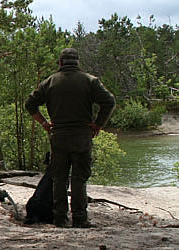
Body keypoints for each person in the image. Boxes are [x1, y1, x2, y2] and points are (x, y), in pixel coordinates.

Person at [25, 48, 115, 228]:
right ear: (77, 62)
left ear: (60, 63)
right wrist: (98, 123)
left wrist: (44, 123)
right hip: (82, 136)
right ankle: (80, 218)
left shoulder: (49, 82)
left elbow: (30, 104)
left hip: (58, 136)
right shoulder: (90, 81)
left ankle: (60, 218)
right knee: (79, 178)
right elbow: (109, 101)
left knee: (59, 178)